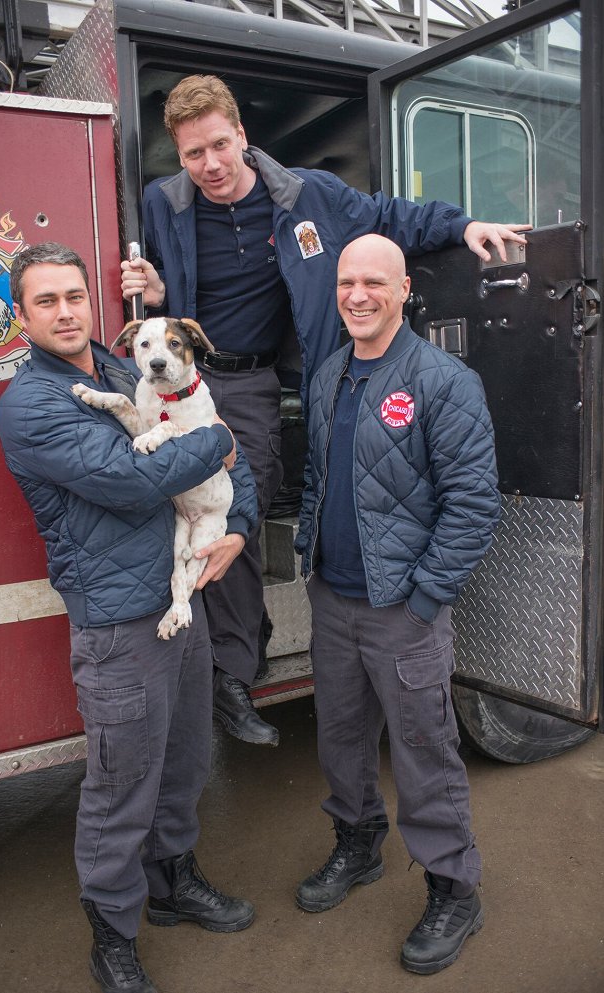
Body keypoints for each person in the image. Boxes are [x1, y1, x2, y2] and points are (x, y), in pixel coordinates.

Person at [120, 74, 526, 749]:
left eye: (220, 146)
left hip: (276, 376)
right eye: (194, 155)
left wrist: (463, 224)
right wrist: (154, 286)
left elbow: (390, 216)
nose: (211, 166)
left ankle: (305, 641)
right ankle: (235, 669)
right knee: (207, 512)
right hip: (190, 379)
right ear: (179, 157)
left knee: (277, 499)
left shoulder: (306, 194)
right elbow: (156, 295)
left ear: (242, 137)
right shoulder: (162, 204)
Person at [0, 242, 258, 993]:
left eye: (74, 295)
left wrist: (237, 525)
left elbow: (208, 473)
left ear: (93, 302)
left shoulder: (119, 369)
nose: (65, 310)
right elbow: (131, 480)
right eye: (46, 300)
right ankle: (112, 933)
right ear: (22, 316)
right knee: (121, 783)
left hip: (178, 596)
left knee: (183, 758)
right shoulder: (32, 404)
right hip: (116, 620)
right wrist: (221, 438)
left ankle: (174, 881)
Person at [294, 234, 501, 975]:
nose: (356, 294)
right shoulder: (327, 377)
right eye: (347, 281)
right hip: (335, 598)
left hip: (401, 610)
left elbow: (472, 506)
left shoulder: (443, 382)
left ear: (403, 288)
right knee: (340, 738)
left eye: (372, 282)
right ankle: (357, 844)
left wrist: (423, 601)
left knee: (424, 751)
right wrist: (308, 561)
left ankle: (453, 885)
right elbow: (317, 480)